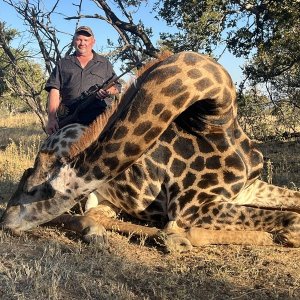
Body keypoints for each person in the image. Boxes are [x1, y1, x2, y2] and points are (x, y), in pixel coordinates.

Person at [45, 26, 121, 135]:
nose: (82, 43)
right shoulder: (63, 63)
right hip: (69, 118)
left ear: (93, 42)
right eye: (79, 39)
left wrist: (107, 92)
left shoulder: (104, 63)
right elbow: (54, 90)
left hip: (99, 119)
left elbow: (117, 86)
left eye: (86, 40)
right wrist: (52, 119)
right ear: (74, 41)